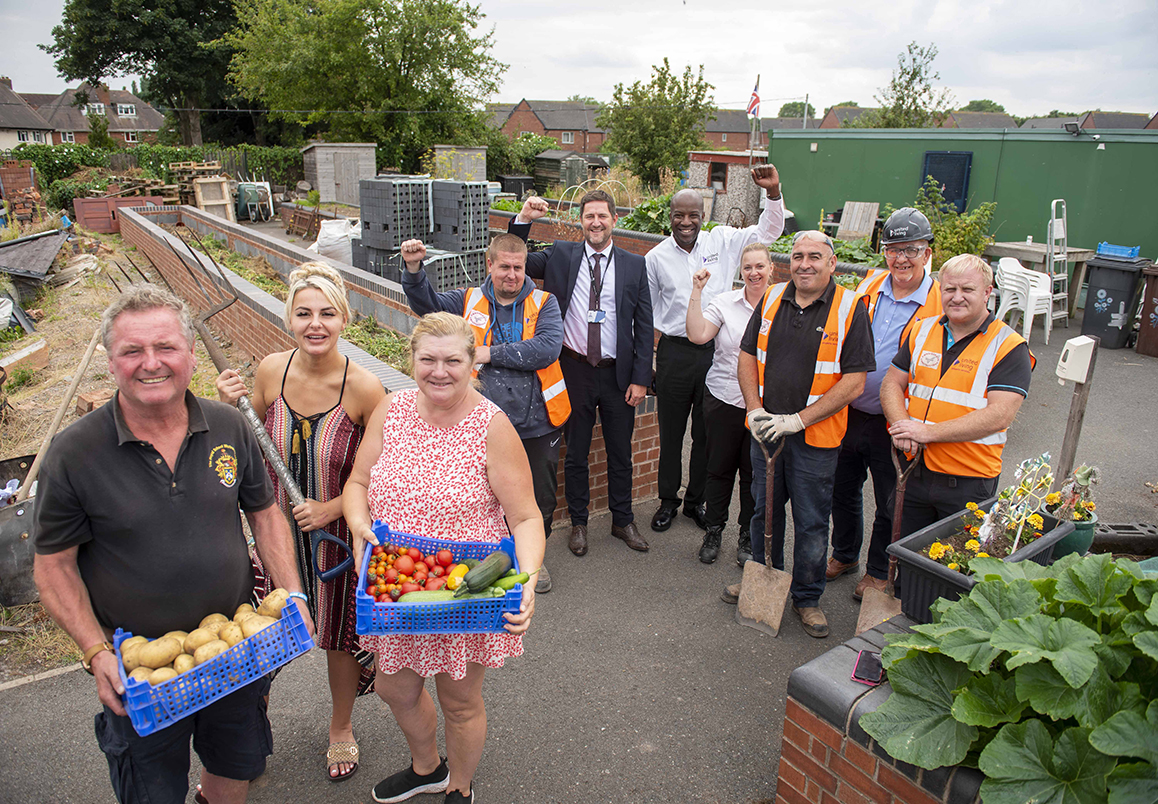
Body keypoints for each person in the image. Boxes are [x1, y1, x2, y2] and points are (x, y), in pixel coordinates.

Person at [33, 286, 313, 804]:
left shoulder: (227, 424)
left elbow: (266, 514)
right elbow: (53, 567)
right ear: (110, 361)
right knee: (152, 790)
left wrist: (292, 594)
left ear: (188, 353)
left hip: (235, 648)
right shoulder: (74, 453)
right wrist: (97, 653)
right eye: (132, 351)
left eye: (165, 348)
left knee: (234, 768)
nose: (151, 364)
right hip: (143, 673)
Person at [343, 312, 544, 804]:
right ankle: (428, 767)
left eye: (453, 360)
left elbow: (526, 519)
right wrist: (356, 526)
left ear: (471, 362)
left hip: (464, 594)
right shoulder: (391, 411)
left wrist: (529, 582)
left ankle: (459, 785)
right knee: (394, 690)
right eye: (427, 359)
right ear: (410, 360)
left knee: (459, 701)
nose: (439, 371)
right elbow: (358, 484)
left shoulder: (492, 426)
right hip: (397, 588)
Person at [215, 263, 385, 782]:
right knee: (262, 633)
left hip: (334, 540)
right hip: (274, 535)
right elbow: (244, 444)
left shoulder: (366, 389)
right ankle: (251, 726)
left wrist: (331, 508)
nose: (316, 323)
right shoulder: (270, 371)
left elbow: (379, 474)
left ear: (344, 319)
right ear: (289, 317)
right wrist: (227, 406)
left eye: (327, 313)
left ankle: (340, 727)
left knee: (337, 637)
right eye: (304, 313)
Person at [398, 233, 566, 594]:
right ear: (489, 265)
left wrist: (488, 353)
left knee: (540, 495)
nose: (511, 274)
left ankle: (535, 559)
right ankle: (493, 561)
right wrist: (414, 269)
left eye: (518, 267)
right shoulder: (466, 299)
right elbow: (427, 305)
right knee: (482, 496)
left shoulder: (544, 302)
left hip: (537, 421)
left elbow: (547, 348)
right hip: (479, 425)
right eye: (503, 266)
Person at [733, 231, 876, 638]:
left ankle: (807, 597)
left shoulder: (850, 308)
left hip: (816, 440)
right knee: (765, 512)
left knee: (812, 521)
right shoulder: (773, 297)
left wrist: (799, 419)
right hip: (766, 434)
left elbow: (855, 381)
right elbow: (747, 356)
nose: (805, 264)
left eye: (815, 256)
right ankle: (763, 580)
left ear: (832, 263)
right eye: (797, 256)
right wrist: (754, 408)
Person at [509, 190, 653, 556]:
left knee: (621, 453)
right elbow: (515, 257)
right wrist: (525, 217)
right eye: (589, 216)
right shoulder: (561, 255)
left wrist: (641, 378)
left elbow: (644, 324)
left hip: (618, 374)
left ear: (614, 220)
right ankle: (579, 523)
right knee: (576, 454)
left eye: (602, 216)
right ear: (581, 221)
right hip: (573, 371)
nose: (596, 222)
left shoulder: (635, 265)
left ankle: (623, 519)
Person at [646, 165, 785, 534]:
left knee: (707, 436)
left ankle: (695, 501)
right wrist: (649, 362)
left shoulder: (722, 240)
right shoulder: (656, 257)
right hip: (675, 351)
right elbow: (645, 312)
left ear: (703, 216)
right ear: (670, 217)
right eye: (679, 215)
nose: (686, 221)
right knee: (671, 433)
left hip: (716, 351)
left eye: (693, 214)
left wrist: (772, 194)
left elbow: (768, 232)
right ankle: (667, 501)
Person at [826, 208, 943, 601]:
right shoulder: (870, 285)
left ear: (928, 253)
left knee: (891, 501)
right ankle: (845, 554)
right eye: (893, 249)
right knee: (841, 490)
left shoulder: (942, 302)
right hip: (849, 408)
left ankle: (879, 571)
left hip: (898, 420)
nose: (901, 259)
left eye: (911, 249)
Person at [880, 254, 1034, 540]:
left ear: (988, 292)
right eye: (950, 289)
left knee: (953, 566)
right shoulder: (922, 329)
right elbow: (892, 381)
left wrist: (927, 432)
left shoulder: (1009, 346)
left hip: (968, 479)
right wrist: (901, 424)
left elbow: (1000, 415)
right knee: (903, 555)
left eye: (967, 289)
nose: (957, 297)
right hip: (914, 469)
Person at [685, 243, 773, 564]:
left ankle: (747, 536)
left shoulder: (781, 305)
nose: (753, 273)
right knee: (719, 469)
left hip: (763, 407)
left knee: (754, 475)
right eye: (747, 267)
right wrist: (697, 291)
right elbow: (697, 335)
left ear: (770, 269)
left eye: (759, 266)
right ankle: (714, 530)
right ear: (741, 271)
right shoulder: (724, 302)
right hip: (722, 399)